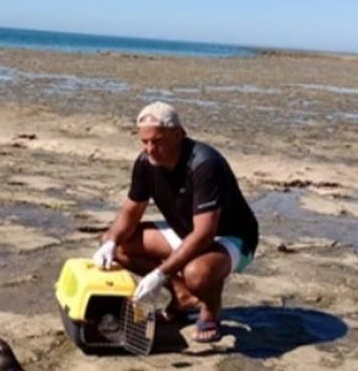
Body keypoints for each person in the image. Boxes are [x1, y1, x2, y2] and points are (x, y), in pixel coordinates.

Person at [93, 101, 259, 343]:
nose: (150, 149)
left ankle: (211, 310)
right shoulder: (145, 163)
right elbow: (130, 213)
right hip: (186, 230)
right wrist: (110, 242)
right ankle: (182, 296)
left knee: (197, 274)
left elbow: (204, 234)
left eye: (157, 141)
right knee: (115, 244)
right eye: (145, 142)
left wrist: (160, 273)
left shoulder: (204, 164)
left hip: (231, 237)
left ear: (178, 135)